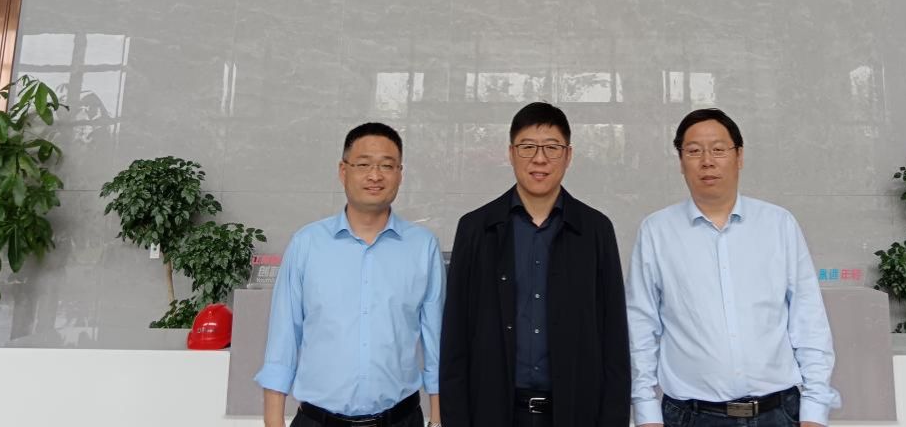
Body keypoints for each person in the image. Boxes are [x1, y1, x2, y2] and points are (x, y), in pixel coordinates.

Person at [627, 108, 840, 427]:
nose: (707, 161)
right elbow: (640, 325)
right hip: (691, 416)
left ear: (739, 156)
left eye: (718, 149)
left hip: (778, 413)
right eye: (694, 151)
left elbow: (808, 318)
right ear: (681, 161)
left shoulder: (778, 224)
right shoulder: (657, 231)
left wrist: (815, 409)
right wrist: (645, 410)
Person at [440, 101, 629, 427]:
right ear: (511, 153)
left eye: (552, 148)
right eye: (527, 147)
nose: (539, 159)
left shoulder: (595, 230)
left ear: (568, 155)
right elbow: (455, 338)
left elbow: (614, 340)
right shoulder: (475, 229)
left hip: (575, 412)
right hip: (494, 412)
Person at [256, 122, 444, 427]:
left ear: (400, 174)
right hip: (318, 421)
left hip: (400, 419)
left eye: (387, 165)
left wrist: (437, 420)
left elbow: (436, 343)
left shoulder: (423, 247)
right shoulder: (307, 244)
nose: (375, 175)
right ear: (343, 171)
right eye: (364, 164)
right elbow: (283, 339)